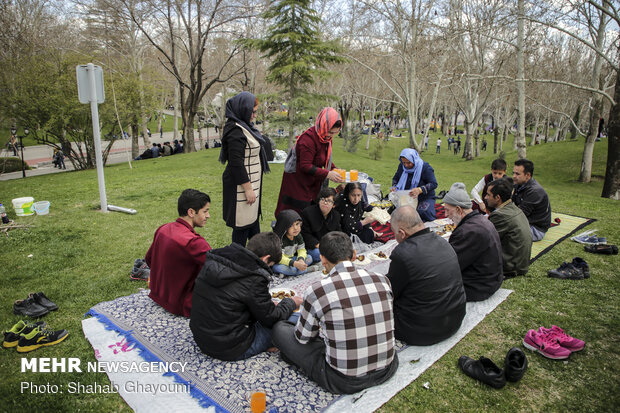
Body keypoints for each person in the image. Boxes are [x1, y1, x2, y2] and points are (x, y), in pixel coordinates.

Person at [271, 232, 398, 394]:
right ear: (354, 255)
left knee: (280, 330)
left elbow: (303, 338)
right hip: (387, 367)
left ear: (322, 259)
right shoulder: (382, 279)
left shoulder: (317, 290)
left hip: (343, 379)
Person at [190, 232, 302, 361]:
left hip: (202, 338)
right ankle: (271, 342)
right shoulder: (254, 278)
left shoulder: (216, 259)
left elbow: (231, 301)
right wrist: (291, 302)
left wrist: (267, 306)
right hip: (231, 347)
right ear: (266, 258)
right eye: (270, 266)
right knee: (297, 317)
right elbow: (270, 318)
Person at [387, 206, 466, 345]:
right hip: (455, 319)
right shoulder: (442, 241)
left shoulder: (403, 254)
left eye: (394, 233)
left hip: (421, 330)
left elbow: (391, 292)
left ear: (401, 233)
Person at [146, 189, 212, 317]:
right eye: (205, 211)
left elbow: (149, 259)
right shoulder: (194, 242)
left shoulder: (163, 229)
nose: (208, 215)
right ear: (191, 212)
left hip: (158, 294)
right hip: (181, 304)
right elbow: (219, 272)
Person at [219, 91, 273, 246]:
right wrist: (248, 188)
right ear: (243, 109)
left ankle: (258, 257)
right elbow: (236, 163)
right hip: (241, 187)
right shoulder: (235, 130)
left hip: (251, 184)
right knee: (242, 226)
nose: (254, 115)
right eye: (253, 111)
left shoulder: (246, 126)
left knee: (252, 223)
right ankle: (240, 260)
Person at [274, 107, 345, 217]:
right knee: (295, 215)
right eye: (330, 132)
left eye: (335, 133)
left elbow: (323, 159)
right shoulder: (308, 140)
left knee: (309, 214)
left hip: (312, 183)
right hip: (298, 183)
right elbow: (305, 165)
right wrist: (328, 174)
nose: (331, 136)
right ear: (323, 126)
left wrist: (334, 169)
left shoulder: (325, 139)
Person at [443, 183, 503, 302]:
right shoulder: (479, 220)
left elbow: (450, 266)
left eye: (447, 210)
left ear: (459, 209)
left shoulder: (468, 231)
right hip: (491, 281)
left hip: (478, 287)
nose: (445, 215)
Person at [485, 177, 532, 278]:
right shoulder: (514, 208)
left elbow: (484, 240)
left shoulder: (500, 215)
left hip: (511, 266)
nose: (485, 197)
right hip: (520, 262)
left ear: (497, 198)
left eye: (488, 195)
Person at [391, 148, 438, 222]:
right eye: (404, 162)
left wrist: (420, 190)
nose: (406, 165)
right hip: (406, 197)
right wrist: (394, 186)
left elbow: (433, 184)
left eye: (409, 162)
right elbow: (396, 178)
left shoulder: (425, 168)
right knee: (396, 212)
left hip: (423, 197)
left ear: (414, 160)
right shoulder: (402, 167)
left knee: (422, 213)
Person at [512, 159, 551, 242]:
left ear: (528, 175)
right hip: (524, 222)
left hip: (535, 229)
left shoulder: (535, 191)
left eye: (517, 174)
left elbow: (519, 215)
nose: (514, 176)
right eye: (513, 173)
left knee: (500, 231)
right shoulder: (518, 185)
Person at [301, 187, 342, 264]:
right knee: (318, 254)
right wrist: (319, 245)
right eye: (323, 199)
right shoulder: (307, 212)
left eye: (329, 201)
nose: (325, 202)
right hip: (312, 247)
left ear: (334, 205)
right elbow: (305, 234)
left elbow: (338, 233)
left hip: (328, 246)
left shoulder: (336, 215)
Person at [272, 209, 313, 276]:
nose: (296, 228)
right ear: (284, 227)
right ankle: (305, 270)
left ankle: (289, 272)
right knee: (277, 268)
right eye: (291, 225)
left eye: (297, 224)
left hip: (293, 259)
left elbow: (301, 249)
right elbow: (280, 258)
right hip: (281, 262)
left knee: (309, 258)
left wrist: (301, 260)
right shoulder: (279, 239)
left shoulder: (298, 235)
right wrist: (295, 264)